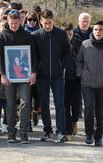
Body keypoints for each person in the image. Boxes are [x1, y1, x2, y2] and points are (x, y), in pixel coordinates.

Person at [0, 9, 37, 143]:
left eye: (16, 22)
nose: (14, 25)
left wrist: (34, 72)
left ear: (21, 21)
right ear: (7, 21)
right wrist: (2, 74)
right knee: (10, 104)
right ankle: (11, 134)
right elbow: (0, 57)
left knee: (25, 103)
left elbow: (33, 57)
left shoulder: (27, 36)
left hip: (25, 76)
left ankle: (24, 133)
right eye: (11, 23)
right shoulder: (2, 36)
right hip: (9, 76)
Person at [32, 9, 70, 143]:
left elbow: (67, 52)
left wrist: (61, 65)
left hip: (57, 75)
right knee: (44, 104)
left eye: (50, 23)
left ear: (53, 21)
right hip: (42, 76)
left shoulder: (61, 34)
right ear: (41, 22)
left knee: (60, 103)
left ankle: (61, 132)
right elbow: (33, 56)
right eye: (45, 23)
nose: (47, 26)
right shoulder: (35, 35)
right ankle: (48, 131)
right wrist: (36, 71)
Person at [62, 22, 82, 139]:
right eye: (65, 34)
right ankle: (68, 130)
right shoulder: (58, 44)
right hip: (63, 79)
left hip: (76, 78)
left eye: (70, 34)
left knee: (76, 105)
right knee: (65, 104)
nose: (68, 37)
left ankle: (74, 121)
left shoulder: (78, 43)